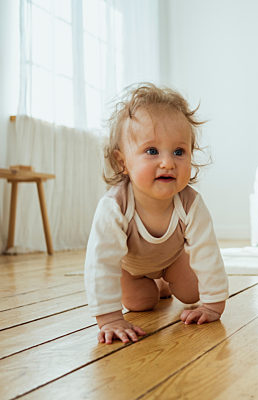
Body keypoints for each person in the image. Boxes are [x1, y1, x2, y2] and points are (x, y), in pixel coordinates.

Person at [84, 83, 229, 344]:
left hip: (172, 259)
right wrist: (109, 318)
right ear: (122, 162)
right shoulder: (115, 206)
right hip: (131, 268)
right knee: (142, 303)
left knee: (192, 291)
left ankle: (166, 281)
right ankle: (155, 286)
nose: (168, 162)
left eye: (179, 151)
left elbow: (207, 253)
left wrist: (213, 305)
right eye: (152, 151)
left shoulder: (190, 203)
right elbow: (101, 263)